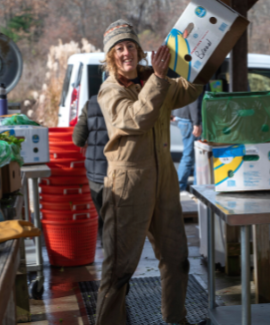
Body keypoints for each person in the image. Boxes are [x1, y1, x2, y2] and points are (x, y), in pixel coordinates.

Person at [95, 19, 204, 325]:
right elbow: (137, 119)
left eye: (130, 45)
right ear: (110, 56)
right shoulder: (110, 90)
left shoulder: (153, 78)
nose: (126, 52)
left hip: (164, 179)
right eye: (119, 48)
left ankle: (175, 320)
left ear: (139, 49)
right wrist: (158, 78)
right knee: (120, 269)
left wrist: (201, 55)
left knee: (177, 259)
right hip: (128, 184)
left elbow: (189, 91)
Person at [71, 95, 108, 240]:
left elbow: (77, 139)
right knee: (119, 220)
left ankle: (108, 254)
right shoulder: (129, 100)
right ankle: (119, 257)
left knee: (103, 218)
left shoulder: (91, 103)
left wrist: (88, 141)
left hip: (95, 174)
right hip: (119, 172)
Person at [172, 82, 208, 192]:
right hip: (190, 120)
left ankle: (193, 187)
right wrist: (196, 123)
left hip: (184, 118)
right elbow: (194, 100)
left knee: (193, 156)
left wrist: (174, 113)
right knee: (192, 157)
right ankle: (183, 187)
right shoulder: (198, 77)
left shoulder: (188, 74)